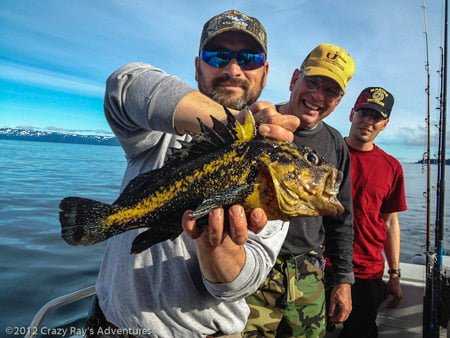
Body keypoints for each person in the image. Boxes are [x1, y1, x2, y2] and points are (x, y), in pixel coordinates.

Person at [90, 9, 299, 338]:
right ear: (197, 65)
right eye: (217, 55)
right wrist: (235, 122)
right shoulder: (157, 133)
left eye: (249, 57)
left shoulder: (274, 163)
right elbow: (124, 84)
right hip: (107, 326)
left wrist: (215, 243)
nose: (233, 69)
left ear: (265, 71)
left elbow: (240, 284)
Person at [244, 44, 356, 337]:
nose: (318, 97)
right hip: (249, 268)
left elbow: (341, 219)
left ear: (340, 100)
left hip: (308, 275)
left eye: (331, 91)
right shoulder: (255, 127)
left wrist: (343, 281)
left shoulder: (336, 145)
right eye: (313, 82)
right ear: (295, 79)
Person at [329, 87, 407, 338]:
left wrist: (394, 274)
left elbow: (390, 223)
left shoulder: (392, 167)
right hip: (321, 266)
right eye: (363, 113)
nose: (367, 121)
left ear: (385, 124)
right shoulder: (326, 153)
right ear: (352, 114)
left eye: (376, 117)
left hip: (368, 272)